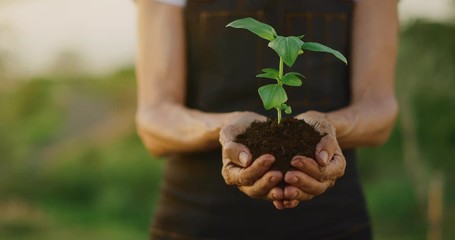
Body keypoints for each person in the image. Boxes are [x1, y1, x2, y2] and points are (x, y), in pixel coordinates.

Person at [135, 0, 398, 239]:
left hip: (331, 220)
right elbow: (154, 119)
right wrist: (226, 129)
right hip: (196, 219)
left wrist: (326, 127)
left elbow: (379, 110)